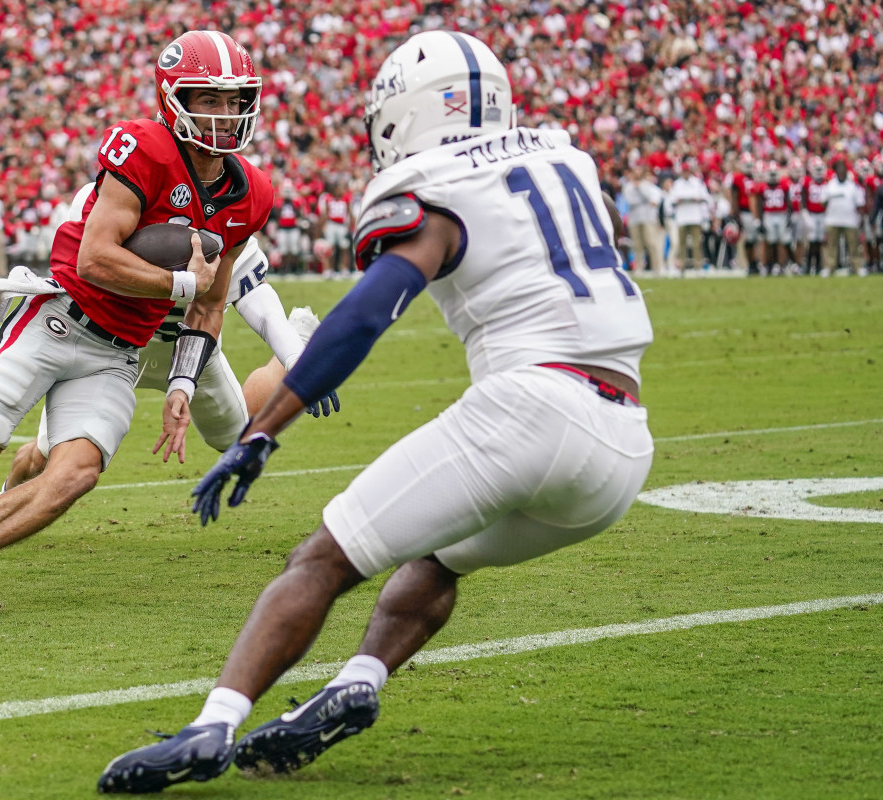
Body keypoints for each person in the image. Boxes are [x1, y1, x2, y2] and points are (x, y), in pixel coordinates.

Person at [98, 31, 654, 794]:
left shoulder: (435, 179)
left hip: (529, 408)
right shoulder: (568, 160)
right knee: (438, 555)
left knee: (320, 560)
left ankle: (211, 726)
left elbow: (364, 316)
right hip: (621, 449)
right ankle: (358, 677)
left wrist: (262, 431)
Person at [0, 30, 274, 621]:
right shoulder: (144, 146)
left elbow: (210, 308)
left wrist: (181, 384)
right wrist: (181, 284)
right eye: (207, 99)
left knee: (76, 474)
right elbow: (96, 258)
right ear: (174, 98)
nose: (223, 115)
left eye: (233, 100)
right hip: (62, 320)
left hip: (121, 353)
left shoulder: (253, 193)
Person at [0, 226, 339, 531]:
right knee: (44, 453)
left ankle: (298, 338)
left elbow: (260, 303)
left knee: (240, 437)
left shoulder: (227, 221)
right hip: (110, 347)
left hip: (194, 356)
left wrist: (296, 358)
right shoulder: (111, 204)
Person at [821, 155, 865, 277]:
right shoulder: (830, 185)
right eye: (839, 170)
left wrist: (860, 218)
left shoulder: (852, 185)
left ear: (846, 171)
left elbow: (860, 203)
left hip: (850, 220)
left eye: (843, 169)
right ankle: (830, 267)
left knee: (853, 245)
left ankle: (857, 267)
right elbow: (822, 202)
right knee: (831, 246)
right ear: (836, 171)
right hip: (832, 220)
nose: (841, 172)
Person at [622, 162, 665, 273]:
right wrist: (644, 201)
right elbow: (631, 201)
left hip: (648, 219)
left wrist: (640, 187)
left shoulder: (647, 185)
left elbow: (650, 197)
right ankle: (639, 268)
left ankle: (658, 268)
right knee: (637, 245)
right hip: (634, 219)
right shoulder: (628, 187)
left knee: (652, 243)